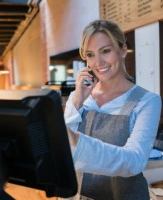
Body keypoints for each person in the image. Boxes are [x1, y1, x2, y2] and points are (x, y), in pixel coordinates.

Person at [64, 19, 162, 200]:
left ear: (123, 50)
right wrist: (77, 99)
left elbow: (135, 161)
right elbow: (62, 152)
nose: (98, 62)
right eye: (90, 54)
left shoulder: (147, 102)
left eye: (106, 51)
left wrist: (76, 139)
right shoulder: (78, 97)